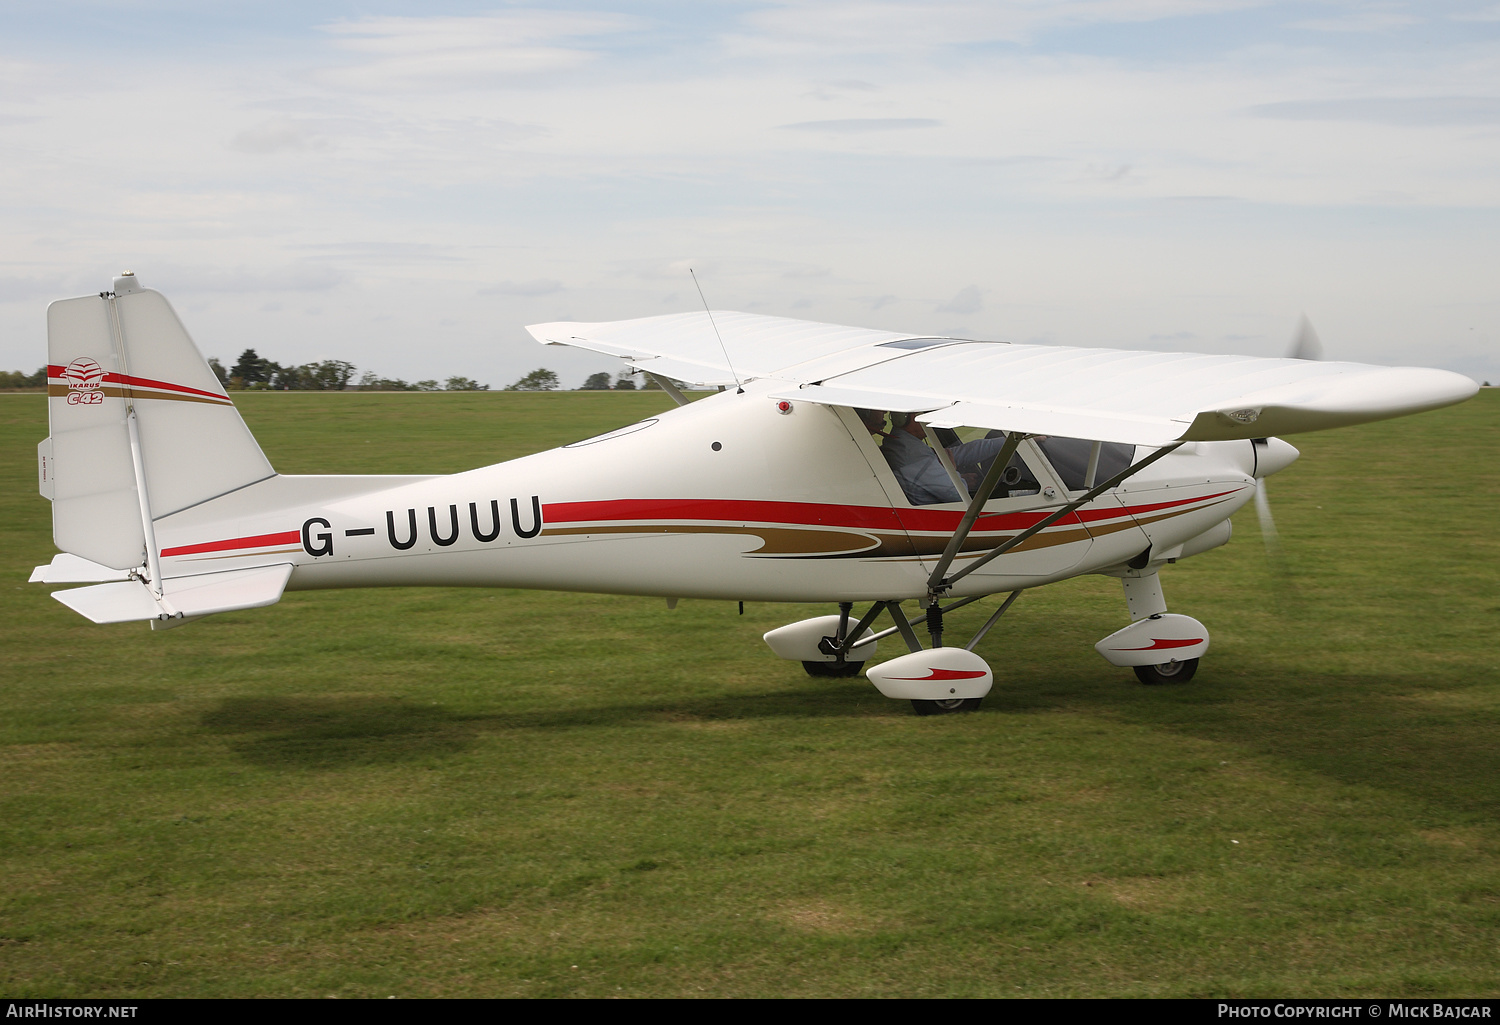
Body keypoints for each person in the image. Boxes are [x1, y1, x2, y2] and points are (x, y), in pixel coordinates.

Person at [860, 409, 1012, 506]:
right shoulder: (914, 457)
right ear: (909, 418)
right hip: (936, 518)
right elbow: (959, 496)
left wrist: (1009, 442)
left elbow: (955, 454)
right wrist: (954, 474)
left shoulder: (901, 444)